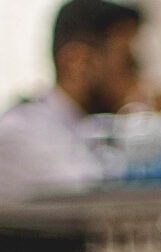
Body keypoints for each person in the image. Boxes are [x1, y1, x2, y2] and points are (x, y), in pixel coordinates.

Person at [0, 3, 142, 200]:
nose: (138, 81)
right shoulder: (21, 131)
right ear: (76, 63)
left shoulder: (97, 128)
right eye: (128, 63)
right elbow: (93, 197)